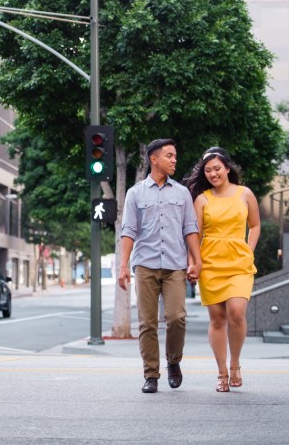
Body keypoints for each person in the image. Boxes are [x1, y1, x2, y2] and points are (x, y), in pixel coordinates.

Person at [118, 138, 201, 394]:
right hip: (145, 265)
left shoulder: (182, 192)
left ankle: (173, 361)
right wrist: (123, 266)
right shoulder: (136, 193)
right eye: (169, 155)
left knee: (176, 317)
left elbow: (190, 228)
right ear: (154, 159)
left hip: (175, 264)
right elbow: (129, 231)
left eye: (175, 155)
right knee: (147, 323)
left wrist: (195, 261)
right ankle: (151, 374)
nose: (174, 159)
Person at [183, 147, 260, 392]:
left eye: (217, 168)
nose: (213, 173)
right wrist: (193, 263)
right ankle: (221, 372)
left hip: (239, 263)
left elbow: (256, 225)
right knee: (217, 320)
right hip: (211, 264)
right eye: (208, 170)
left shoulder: (245, 194)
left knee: (236, 312)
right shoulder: (202, 199)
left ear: (227, 168)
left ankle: (235, 364)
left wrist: (249, 249)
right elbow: (195, 235)